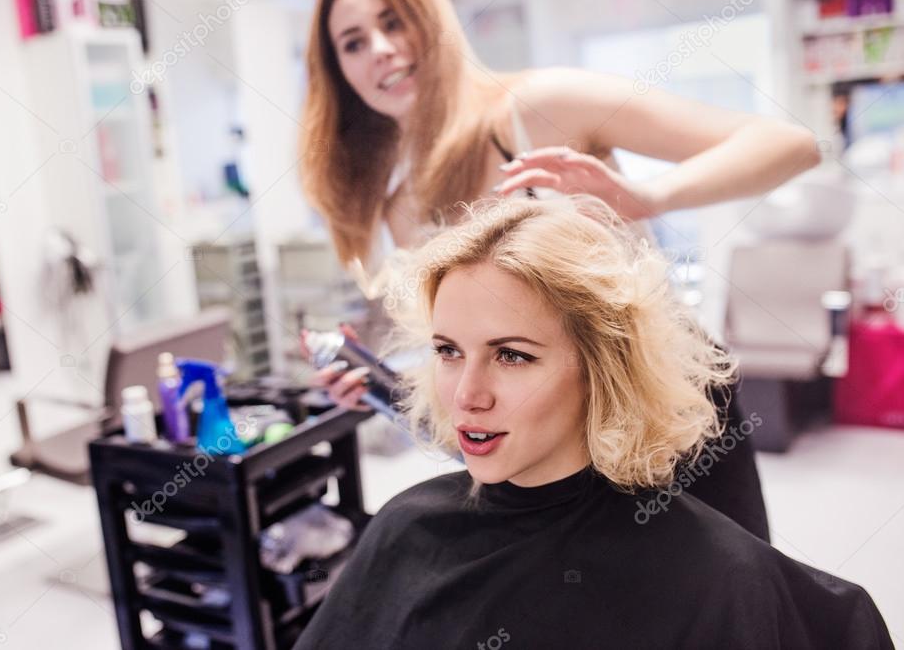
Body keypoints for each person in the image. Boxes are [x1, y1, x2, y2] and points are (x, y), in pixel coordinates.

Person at [297, 0, 807, 542]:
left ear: (431, 17)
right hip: (550, 458)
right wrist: (384, 389)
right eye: (354, 42)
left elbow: (790, 145)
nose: (382, 51)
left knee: (723, 613)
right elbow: (483, 358)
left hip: (669, 419)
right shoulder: (394, 212)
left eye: (394, 22)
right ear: (337, 71)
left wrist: (646, 197)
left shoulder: (539, 109)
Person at [291, 197, 892, 650]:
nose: (467, 396)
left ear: (602, 369)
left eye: (512, 355)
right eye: (449, 351)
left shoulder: (716, 577)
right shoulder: (405, 529)